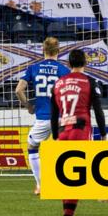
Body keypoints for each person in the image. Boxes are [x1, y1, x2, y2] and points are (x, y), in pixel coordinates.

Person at [50, 49, 107, 216]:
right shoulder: (90, 82)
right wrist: (103, 134)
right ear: (85, 63)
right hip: (80, 130)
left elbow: (54, 114)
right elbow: (98, 110)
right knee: (81, 171)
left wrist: (55, 135)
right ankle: (99, 192)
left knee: (66, 174)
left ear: (68, 64)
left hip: (62, 132)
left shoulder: (58, 83)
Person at [15, 37, 70, 195]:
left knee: (32, 146)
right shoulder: (63, 70)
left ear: (43, 50)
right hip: (61, 116)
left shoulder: (34, 68)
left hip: (43, 117)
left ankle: (41, 185)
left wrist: (28, 106)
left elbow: (18, 90)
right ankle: (68, 182)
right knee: (64, 150)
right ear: (58, 51)